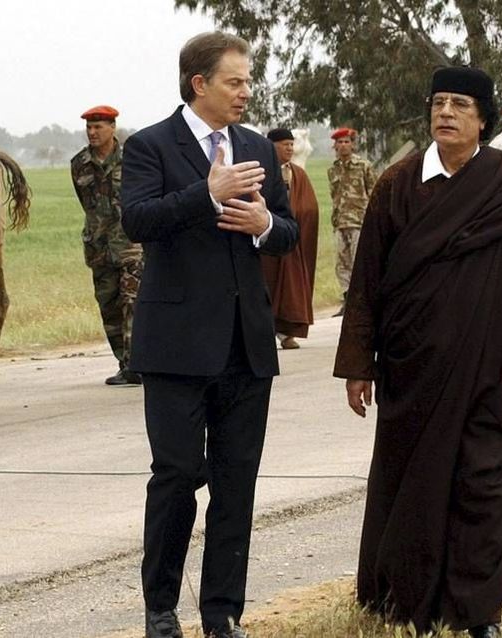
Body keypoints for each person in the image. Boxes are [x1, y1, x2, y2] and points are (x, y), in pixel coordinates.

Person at [334, 66, 502, 638]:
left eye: (460, 105)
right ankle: (403, 595)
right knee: (415, 481)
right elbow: (366, 281)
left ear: (483, 119)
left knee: (485, 483)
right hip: (414, 368)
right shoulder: (397, 185)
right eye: (438, 103)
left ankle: (480, 611)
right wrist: (357, 364)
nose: (446, 113)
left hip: (496, 365)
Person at [120, 31, 299, 638]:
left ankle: (223, 613)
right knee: (174, 476)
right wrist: (208, 193)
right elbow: (138, 219)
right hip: (175, 347)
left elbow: (289, 231)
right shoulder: (150, 146)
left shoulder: (256, 148)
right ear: (200, 84)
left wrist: (264, 223)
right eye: (236, 82)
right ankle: (161, 609)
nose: (247, 92)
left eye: (248, 81)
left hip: (245, 346)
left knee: (236, 484)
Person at [70, 105, 144, 385]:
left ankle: (137, 364)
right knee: (109, 306)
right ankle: (124, 362)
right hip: (98, 247)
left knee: (132, 303)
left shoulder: (133, 159)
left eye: (98, 127)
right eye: (89, 127)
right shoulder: (79, 164)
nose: (92, 132)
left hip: (131, 243)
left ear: (113, 128)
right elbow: (85, 203)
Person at [261, 128, 319, 349]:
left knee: (291, 286)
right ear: (271, 146)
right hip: (266, 240)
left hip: (290, 240)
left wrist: (296, 216)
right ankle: (265, 331)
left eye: (291, 144)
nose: (290, 148)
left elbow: (309, 206)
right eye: (284, 144)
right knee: (266, 284)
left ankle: (286, 333)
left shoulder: (298, 173)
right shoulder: (261, 171)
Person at [327, 127, 377, 317]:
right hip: (340, 222)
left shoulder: (363, 166)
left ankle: (362, 302)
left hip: (359, 221)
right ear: (335, 146)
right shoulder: (333, 169)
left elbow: (373, 191)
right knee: (342, 264)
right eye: (340, 142)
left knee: (359, 262)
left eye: (347, 141)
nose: (343, 145)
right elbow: (334, 196)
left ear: (353, 144)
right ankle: (347, 300)